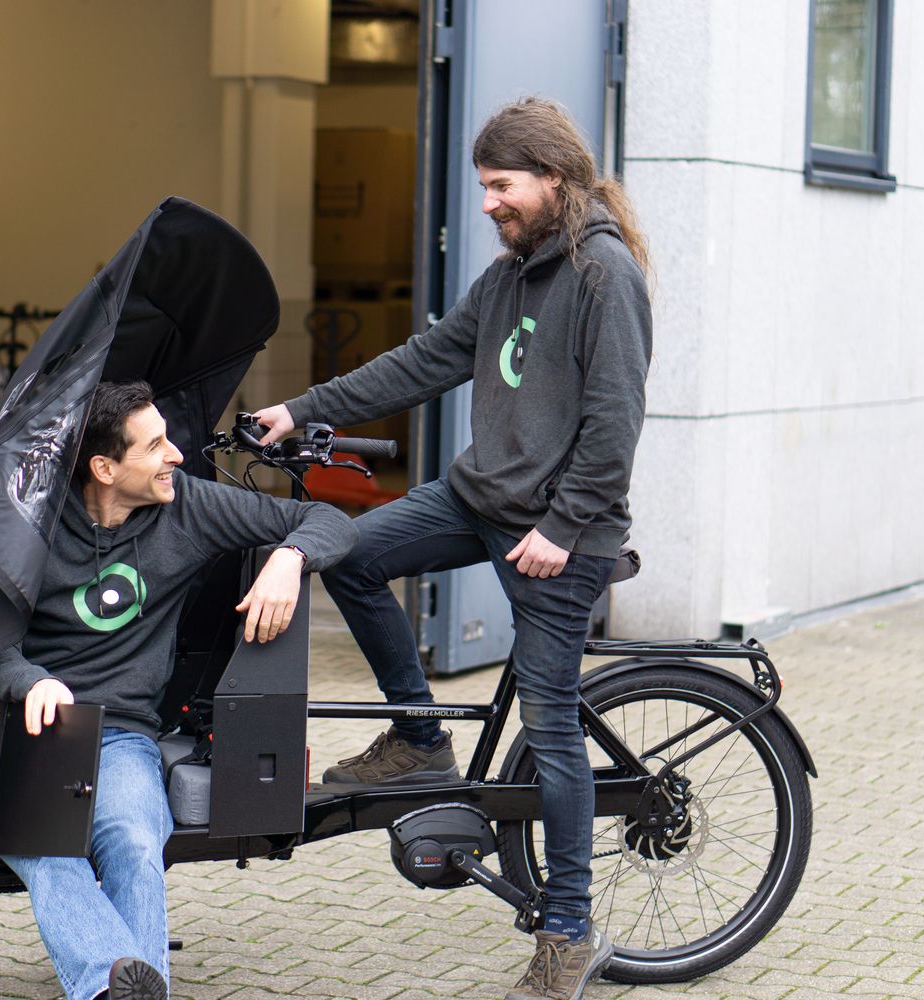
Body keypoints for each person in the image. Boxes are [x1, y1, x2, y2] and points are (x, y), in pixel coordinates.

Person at [251, 97, 652, 1000]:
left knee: (550, 726)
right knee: (348, 555)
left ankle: (569, 930)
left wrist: (562, 528)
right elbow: (423, 361)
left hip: (562, 531)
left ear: (555, 178)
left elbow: (615, 423)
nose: (488, 203)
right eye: (483, 186)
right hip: (480, 498)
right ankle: (421, 738)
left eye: (502, 185)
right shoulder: (510, 276)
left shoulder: (605, 276)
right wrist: (302, 410)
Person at [0, 380, 355, 1000]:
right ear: (104, 468)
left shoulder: (187, 505)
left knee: (134, 839)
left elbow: (330, 520)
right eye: (154, 446)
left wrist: (290, 558)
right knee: (44, 848)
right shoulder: (32, 522)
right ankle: (115, 983)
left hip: (122, 732)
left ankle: (111, 988)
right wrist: (30, 681)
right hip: (36, 726)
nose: (176, 454)